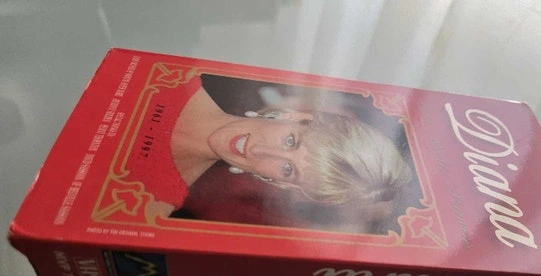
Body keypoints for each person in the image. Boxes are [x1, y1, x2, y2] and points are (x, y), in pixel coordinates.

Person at [131, 71, 413, 232]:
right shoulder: (169, 76)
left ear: (281, 184)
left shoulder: (144, 208)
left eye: (288, 170)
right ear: (295, 115)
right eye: (290, 141)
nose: (261, 151)